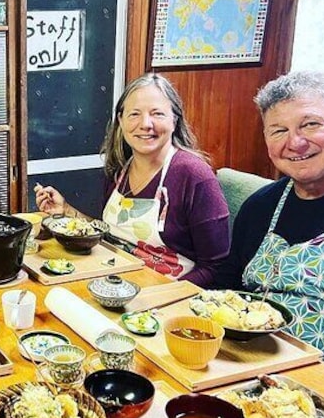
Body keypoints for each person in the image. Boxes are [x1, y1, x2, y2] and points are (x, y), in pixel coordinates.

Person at [215, 71, 324, 392]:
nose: (294, 142)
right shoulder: (261, 206)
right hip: (244, 370)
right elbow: (226, 287)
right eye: (278, 130)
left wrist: (321, 388)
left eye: (310, 124)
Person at [35, 73, 230, 287]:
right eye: (134, 114)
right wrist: (67, 211)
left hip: (167, 299)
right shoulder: (120, 170)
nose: (145, 124)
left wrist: (157, 297)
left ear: (175, 120)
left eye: (157, 114)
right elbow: (110, 235)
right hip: (114, 285)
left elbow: (216, 268)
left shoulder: (194, 176)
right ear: (121, 120)